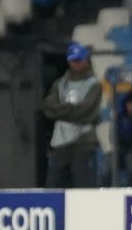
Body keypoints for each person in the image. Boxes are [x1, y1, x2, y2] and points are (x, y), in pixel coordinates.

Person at [42, 43, 101, 188]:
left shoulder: (93, 85)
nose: (76, 63)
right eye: (73, 60)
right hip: (60, 142)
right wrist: (71, 109)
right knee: (52, 186)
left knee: (84, 187)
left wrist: (61, 112)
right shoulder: (59, 84)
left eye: (79, 60)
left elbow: (87, 112)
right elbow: (48, 108)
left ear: (86, 60)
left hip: (83, 142)